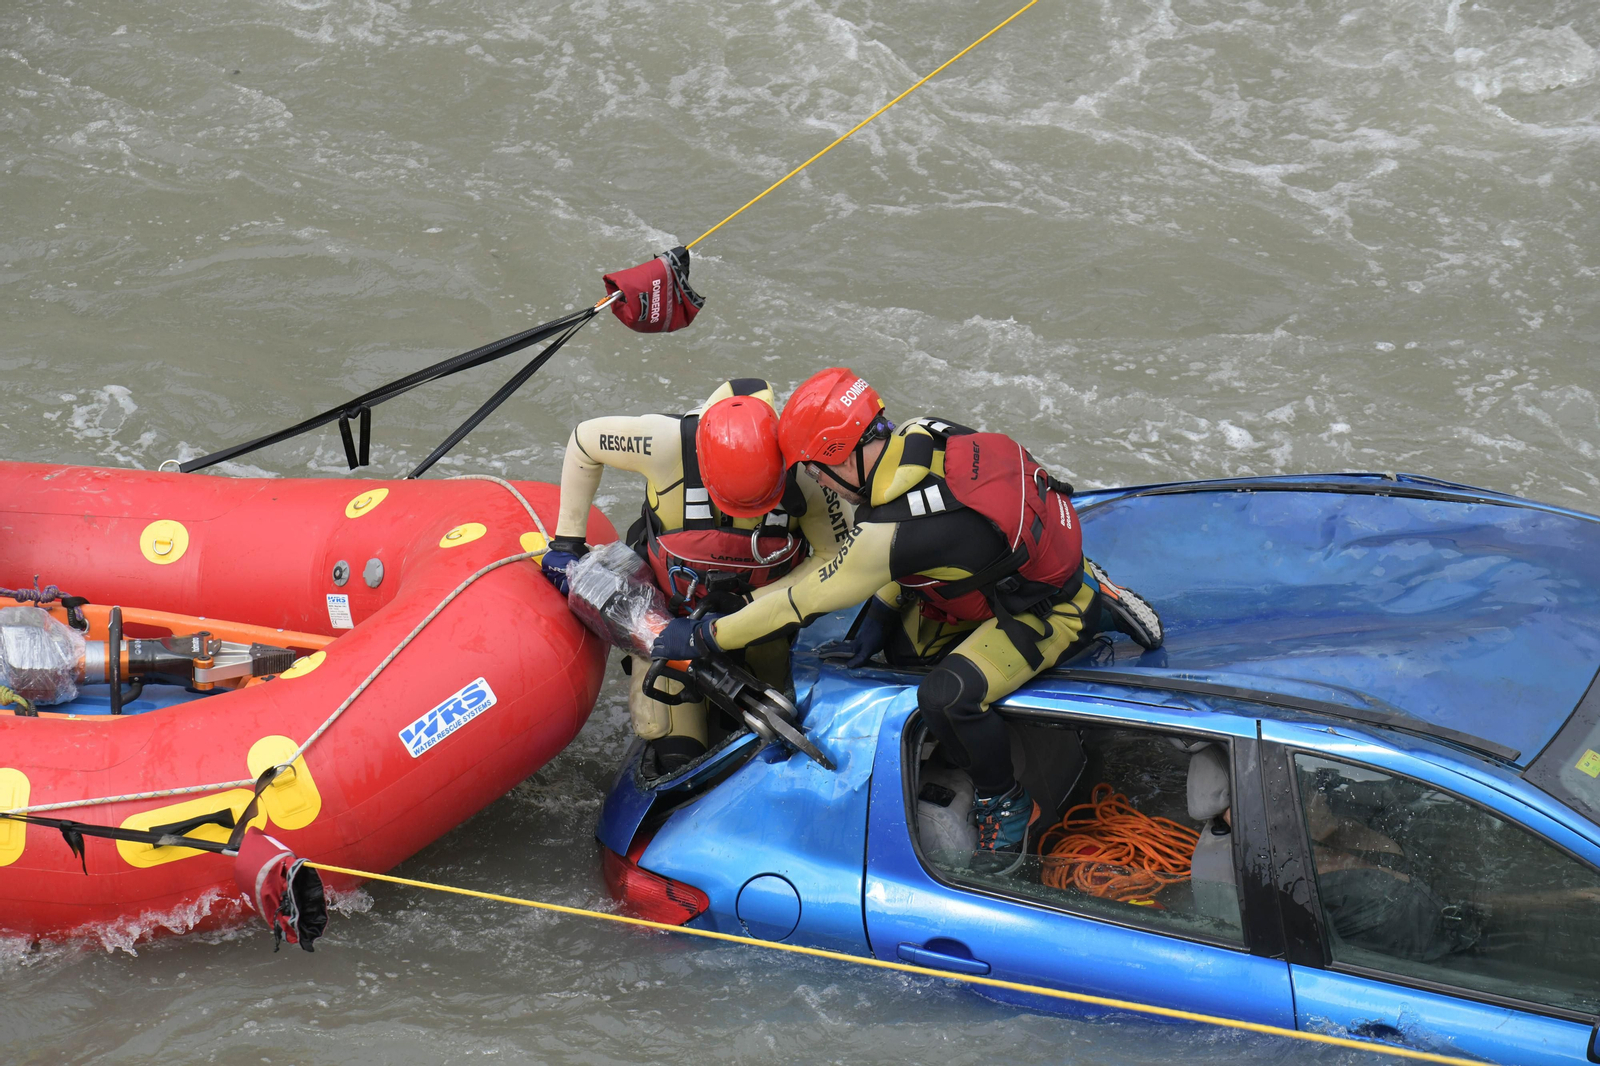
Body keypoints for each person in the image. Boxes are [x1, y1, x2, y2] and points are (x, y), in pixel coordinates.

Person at [653, 367, 1163, 874]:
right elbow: (935, 542)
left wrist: (706, 634)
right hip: (1025, 552)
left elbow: (798, 600)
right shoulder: (923, 432)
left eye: (812, 468)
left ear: (840, 456)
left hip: (1045, 606)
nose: (812, 481)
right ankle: (1082, 577)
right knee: (899, 652)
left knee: (948, 698)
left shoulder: (888, 531)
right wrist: (879, 611)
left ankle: (1006, 800)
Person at [542, 379, 856, 774]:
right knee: (671, 745)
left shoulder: (810, 475)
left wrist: (748, 607)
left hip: (764, 625)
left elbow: (837, 560)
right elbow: (585, 441)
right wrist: (568, 539)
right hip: (669, 625)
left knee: (772, 743)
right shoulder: (664, 442)